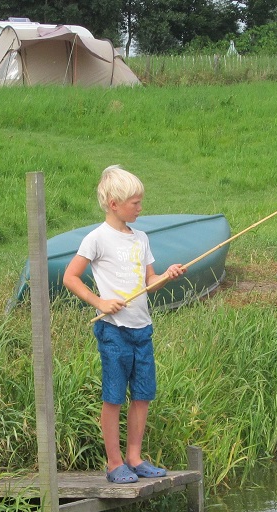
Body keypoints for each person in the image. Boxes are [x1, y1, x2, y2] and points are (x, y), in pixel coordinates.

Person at [62, 165, 185, 484]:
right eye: (135, 203)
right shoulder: (97, 238)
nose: (141, 208)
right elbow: (70, 277)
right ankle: (114, 463)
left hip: (142, 330)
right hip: (113, 331)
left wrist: (166, 276)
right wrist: (100, 302)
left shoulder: (141, 238)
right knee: (114, 395)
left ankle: (134, 458)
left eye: (141, 201)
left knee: (142, 394)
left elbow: (150, 281)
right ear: (114, 204)